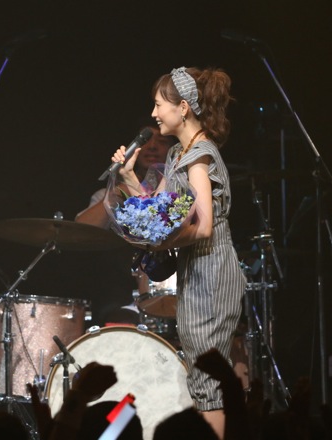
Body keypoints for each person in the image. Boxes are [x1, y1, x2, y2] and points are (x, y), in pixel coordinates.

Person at [107, 67, 246, 439]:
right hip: (195, 268)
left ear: (183, 108)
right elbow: (159, 210)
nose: (154, 114)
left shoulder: (199, 155)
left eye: (158, 105)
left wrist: (162, 243)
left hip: (211, 269)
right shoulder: (177, 154)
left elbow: (203, 226)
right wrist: (129, 178)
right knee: (201, 374)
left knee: (207, 376)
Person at [75, 126, 174, 326]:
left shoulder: (178, 192)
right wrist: (120, 190)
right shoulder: (112, 192)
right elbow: (80, 232)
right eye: (146, 141)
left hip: (172, 291)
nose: (152, 146)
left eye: (162, 141)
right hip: (118, 300)